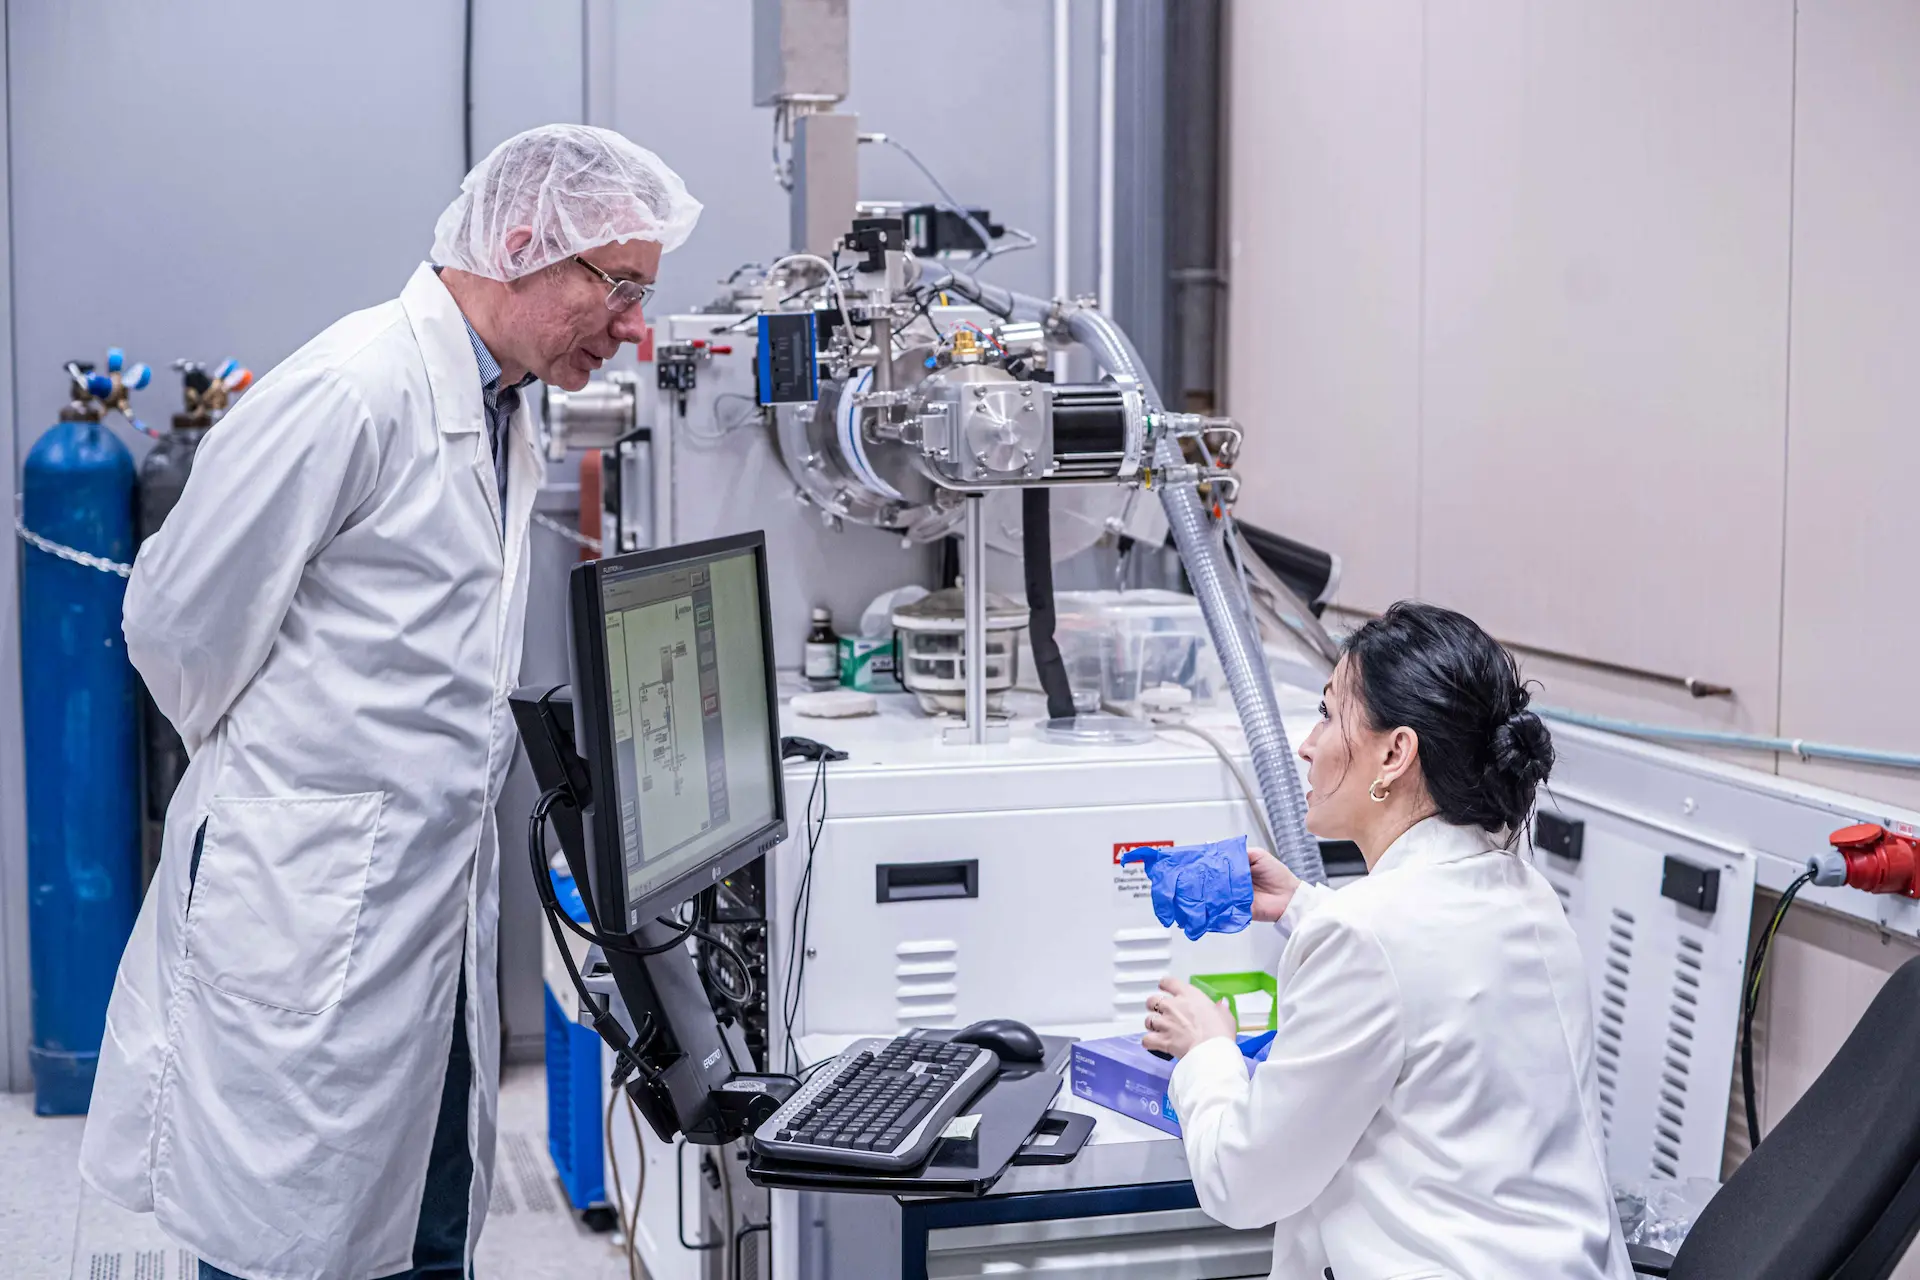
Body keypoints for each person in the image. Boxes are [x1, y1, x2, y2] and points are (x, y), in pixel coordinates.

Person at [77, 125, 700, 1280]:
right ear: (523, 242)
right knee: (285, 1235)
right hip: (307, 905)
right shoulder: (351, 390)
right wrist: (286, 782)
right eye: (618, 284)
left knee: (423, 1213)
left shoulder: (503, 401)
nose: (632, 326)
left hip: (427, 910)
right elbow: (175, 624)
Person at [1143, 602, 1633, 1279]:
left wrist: (1207, 1052)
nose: (1306, 745)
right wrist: (1303, 906)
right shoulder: (1524, 892)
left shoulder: (1366, 933)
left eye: (1327, 713)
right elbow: (1430, 969)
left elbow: (1242, 1182)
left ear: (1396, 754)